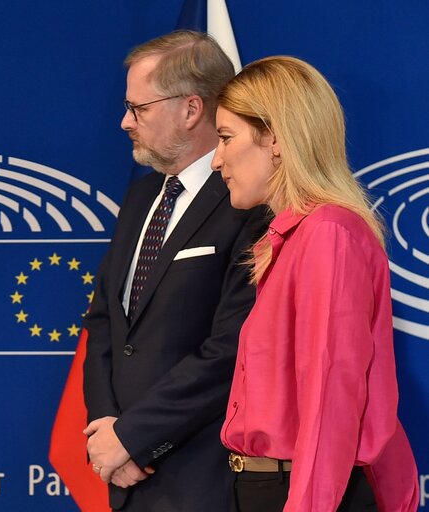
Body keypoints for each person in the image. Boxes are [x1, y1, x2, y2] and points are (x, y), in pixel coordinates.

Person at [212, 55, 419, 511]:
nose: (215, 159)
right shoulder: (300, 236)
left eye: (226, 138)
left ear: (277, 138)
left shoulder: (328, 234)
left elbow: (331, 399)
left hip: (302, 494)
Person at [82, 30, 267, 511]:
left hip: (203, 477)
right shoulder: (142, 197)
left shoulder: (249, 205)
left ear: (190, 109)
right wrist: (108, 436)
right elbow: (106, 323)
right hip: (126, 477)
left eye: (138, 109)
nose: (125, 122)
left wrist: (134, 437)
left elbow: (231, 349)